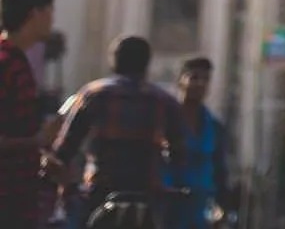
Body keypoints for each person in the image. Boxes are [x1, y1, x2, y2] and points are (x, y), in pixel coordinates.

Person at [47, 35, 187, 227]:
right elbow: (179, 152)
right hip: (147, 194)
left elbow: (65, 149)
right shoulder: (165, 100)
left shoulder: (93, 94)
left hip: (99, 191)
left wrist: (67, 185)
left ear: (114, 61)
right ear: (147, 63)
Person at [0, 0, 55, 229]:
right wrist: (37, 141)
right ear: (36, 13)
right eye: (49, 11)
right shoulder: (6, 62)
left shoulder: (17, 60)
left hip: (19, 197)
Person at [163, 58, 229, 229]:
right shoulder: (165, 121)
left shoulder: (214, 127)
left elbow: (220, 170)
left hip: (201, 210)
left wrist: (223, 206)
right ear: (181, 80)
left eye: (205, 80)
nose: (200, 84)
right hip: (168, 207)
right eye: (194, 77)